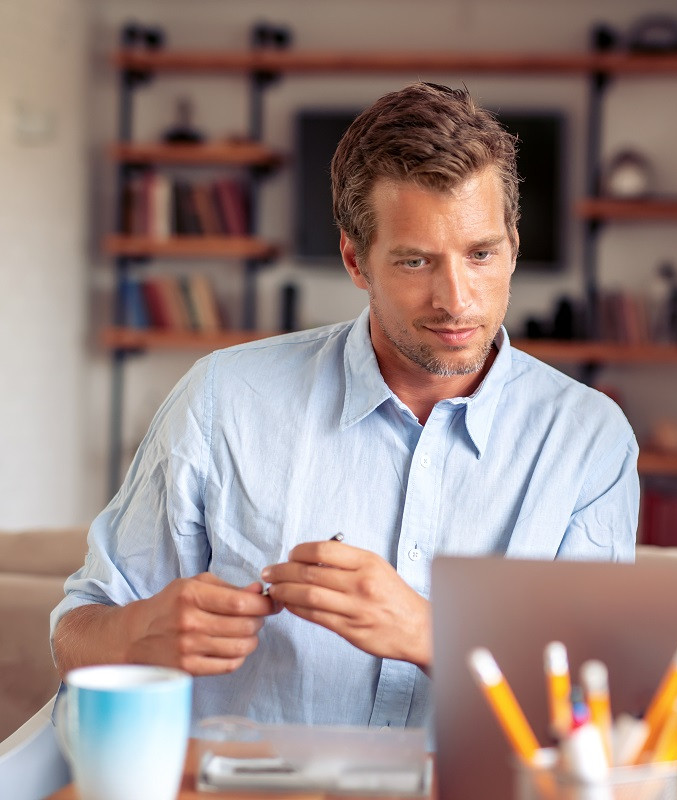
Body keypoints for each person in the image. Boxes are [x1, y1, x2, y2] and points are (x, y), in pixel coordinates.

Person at [51, 83, 639, 728]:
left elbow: (595, 701)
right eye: (415, 261)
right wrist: (135, 635)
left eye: (481, 255)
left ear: (513, 247)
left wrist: (430, 631)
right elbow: (76, 633)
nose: (457, 300)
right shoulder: (223, 400)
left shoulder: (588, 437)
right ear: (356, 261)